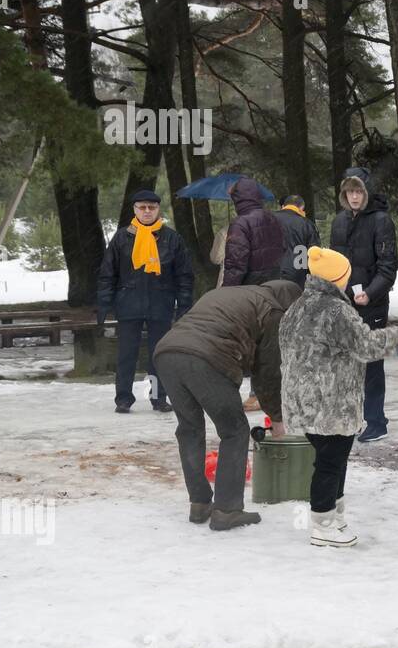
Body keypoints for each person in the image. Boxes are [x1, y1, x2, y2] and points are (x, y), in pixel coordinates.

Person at [280, 247, 398, 547]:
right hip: (331, 402)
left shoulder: (296, 306)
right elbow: (365, 346)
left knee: (332, 458)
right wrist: (396, 336)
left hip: (302, 401)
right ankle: (322, 525)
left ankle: (334, 517)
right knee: (330, 462)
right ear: (339, 279)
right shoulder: (337, 311)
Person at [154, 280, 301, 530]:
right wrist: (277, 419)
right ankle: (227, 509)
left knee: (189, 429)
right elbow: (266, 373)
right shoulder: (274, 310)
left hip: (166, 353)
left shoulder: (229, 293)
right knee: (234, 430)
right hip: (205, 358)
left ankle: (199, 503)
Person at [96, 190, 194, 414]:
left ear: (158, 210)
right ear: (135, 210)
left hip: (161, 303)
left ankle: (159, 398)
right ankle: (123, 398)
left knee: (159, 356)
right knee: (126, 355)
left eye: (151, 207)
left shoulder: (172, 238)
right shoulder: (122, 238)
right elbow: (107, 274)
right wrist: (104, 304)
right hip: (128, 303)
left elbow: (184, 276)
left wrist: (185, 306)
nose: (147, 211)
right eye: (142, 207)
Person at [329, 167, 398, 443]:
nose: (354, 197)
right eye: (350, 191)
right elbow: (335, 264)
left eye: (359, 191)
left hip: (373, 304)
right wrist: (336, 291)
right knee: (347, 361)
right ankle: (353, 416)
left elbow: (388, 267)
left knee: (371, 362)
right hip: (344, 303)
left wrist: (370, 293)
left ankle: (376, 421)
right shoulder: (339, 222)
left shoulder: (382, 221)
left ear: (366, 193)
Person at [222, 177, 284, 286]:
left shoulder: (240, 223)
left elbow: (236, 264)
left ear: (238, 199)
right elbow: (283, 248)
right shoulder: (273, 218)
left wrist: (226, 291)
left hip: (249, 289)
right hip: (273, 284)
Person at [274, 194, 321, 286]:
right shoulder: (307, 224)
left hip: (271, 273)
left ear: (283, 206)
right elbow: (314, 253)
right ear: (302, 207)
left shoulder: (268, 219)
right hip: (297, 274)